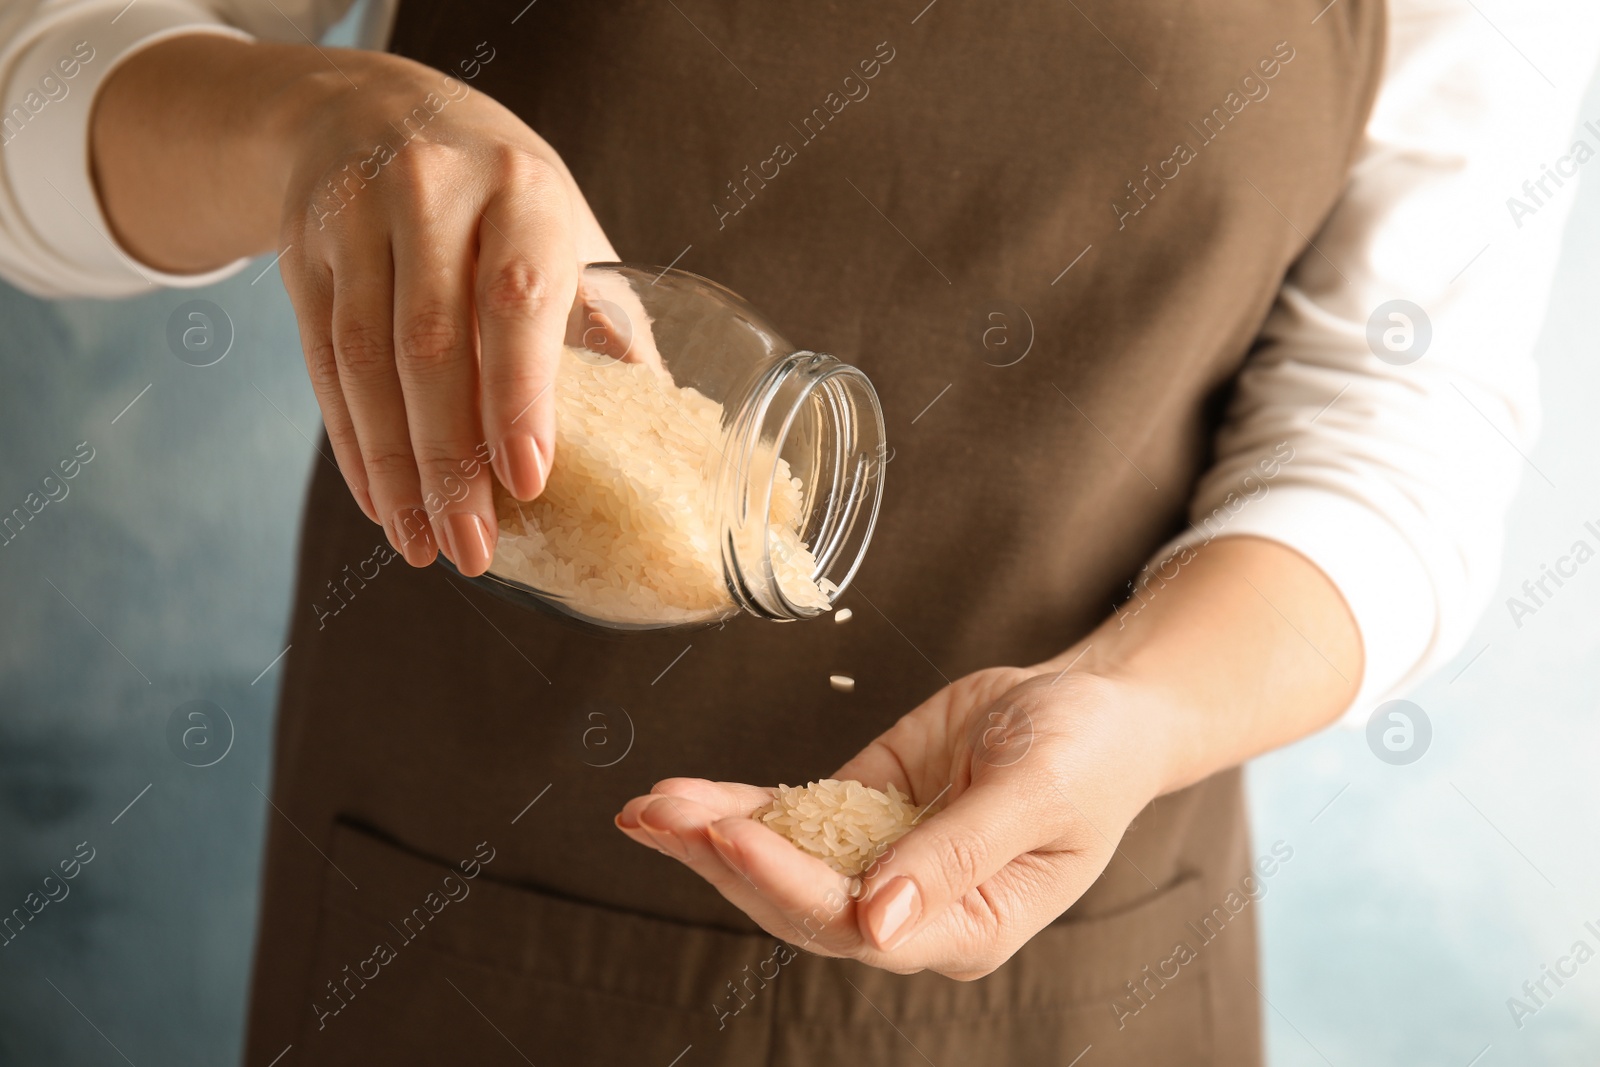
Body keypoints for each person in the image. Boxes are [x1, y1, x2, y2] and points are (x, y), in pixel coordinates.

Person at [1, 0, 1595, 1062]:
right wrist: (314, 118)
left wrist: (1142, 711)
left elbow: (1402, 406)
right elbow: (42, 83)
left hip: (1077, 940)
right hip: (453, 901)